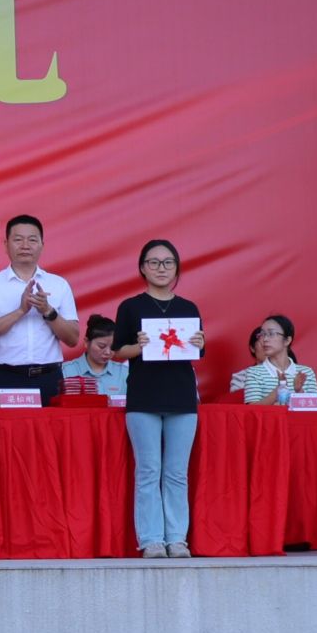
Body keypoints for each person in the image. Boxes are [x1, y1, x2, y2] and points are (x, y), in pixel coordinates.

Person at [112, 239, 204, 558]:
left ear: (177, 268)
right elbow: (117, 352)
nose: (161, 268)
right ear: (142, 268)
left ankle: (177, 538)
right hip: (144, 397)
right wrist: (138, 347)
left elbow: (198, 350)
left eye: (168, 262)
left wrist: (199, 341)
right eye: (154, 262)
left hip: (182, 397)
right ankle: (151, 539)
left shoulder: (188, 309)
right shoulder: (130, 307)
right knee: (149, 470)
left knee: (177, 472)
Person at [0, 214, 81, 405]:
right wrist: (20, 311)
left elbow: (72, 339)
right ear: (6, 245)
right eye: (18, 240)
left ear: (42, 245)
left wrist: (48, 311)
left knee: (52, 426)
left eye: (32, 240)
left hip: (49, 378)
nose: (25, 246)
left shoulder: (59, 284)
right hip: (6, 377)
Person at [231, 315, 317, 403]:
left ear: (287, 340)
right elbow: (252, 409)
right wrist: (277, 391)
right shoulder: (254, 373)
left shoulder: (306, 372)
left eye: (271, 334)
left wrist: (299, 392)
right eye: (262, 334)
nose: (265, 339)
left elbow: (314, 408)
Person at [60, 314, 130, 400]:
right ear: (86, 342)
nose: (107, 352)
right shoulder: (65, 371)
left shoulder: (124, 373)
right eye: (101, 346)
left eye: (113, 347)